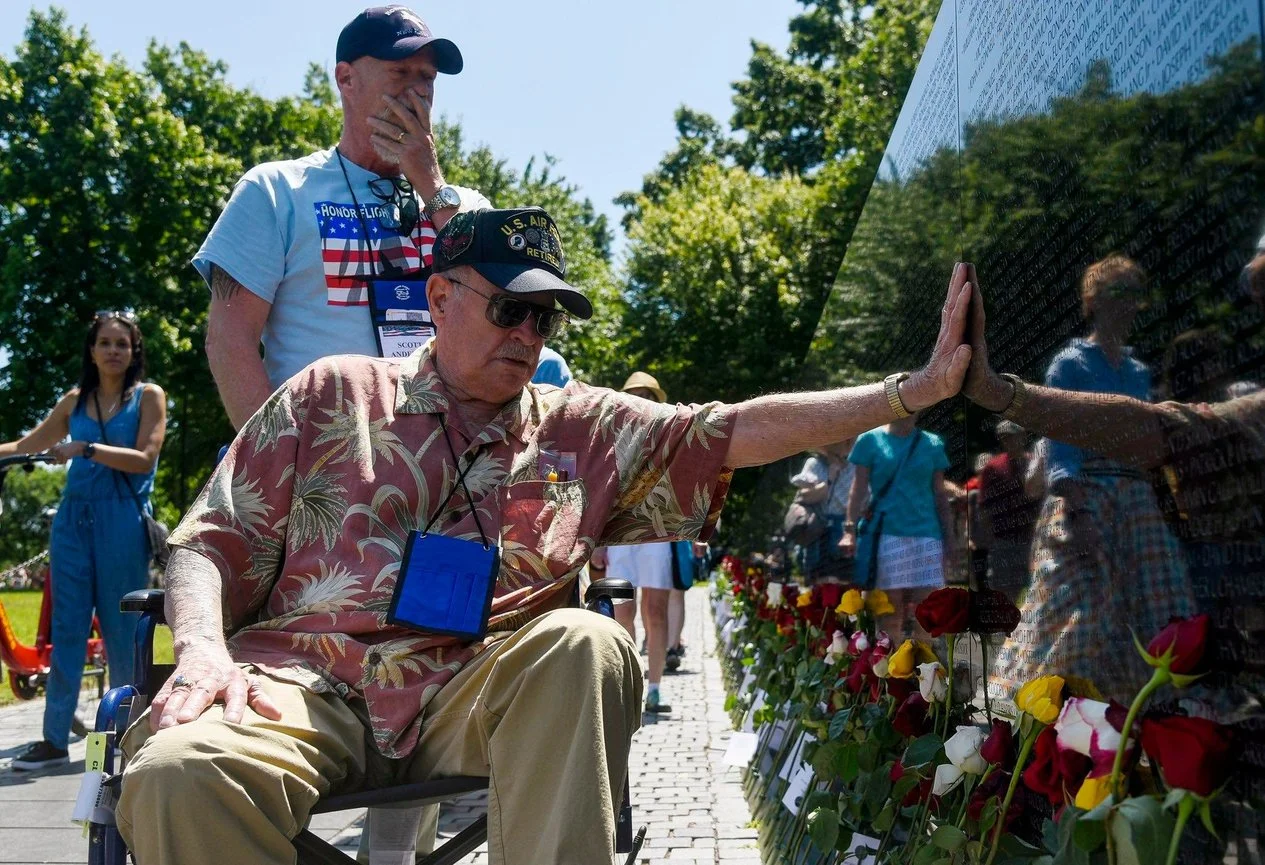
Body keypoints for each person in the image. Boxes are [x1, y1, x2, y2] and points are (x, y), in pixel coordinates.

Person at [115, 211, 975, 865]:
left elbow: (733, 429)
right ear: (440, 297)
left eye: (546, 320)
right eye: (509, 309)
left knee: (584, 640)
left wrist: (907, 393)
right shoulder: (330, 393)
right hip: (303, 683)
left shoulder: (581, 428)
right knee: (177, 775)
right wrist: (199, 650)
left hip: (474, 688)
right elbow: (206, 540)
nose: (528, 336)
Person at [197, 6, 490, 430]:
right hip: (321, 465)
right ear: (346, 79)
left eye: (426, 78)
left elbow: (496, 307)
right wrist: (276, 461)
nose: (417, 92)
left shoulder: (461, 205)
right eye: (400, 73)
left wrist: (429, 182)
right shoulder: (276, 191)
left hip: (446, 465)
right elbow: (228, 340)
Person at [988, 256, 1190, 700]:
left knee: (1154, 610)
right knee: (1073, 611)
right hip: (1086, 495)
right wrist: (1076, 509)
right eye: (1119, 293)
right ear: (1093, 302)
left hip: (1137, 505)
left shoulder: (1138, 372)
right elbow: (1059, 438)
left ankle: (1134, 715)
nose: (1130, 305)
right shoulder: (1070, 364)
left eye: (1135, 294)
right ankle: (1037, 708)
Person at [0, 313, 166, 770]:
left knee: (122, 632)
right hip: (72, 521)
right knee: (67, 630)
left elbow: (145, 458)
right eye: (105, 343)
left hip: (122, 521)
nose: (114, 351)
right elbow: (26, 444)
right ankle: (54, 741)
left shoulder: (148, 397)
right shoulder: (75, 401)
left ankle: (126, 737)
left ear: (134, 351)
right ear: (91, 350)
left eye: (122, 344)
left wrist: (87, 449)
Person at [592, 372, 677, 713]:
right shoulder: (612, 438)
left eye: (647, 395)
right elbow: (601, 488)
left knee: (655, 613)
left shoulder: (673, 434)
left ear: (658, 400)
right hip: (621, 535)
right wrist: (597, 541)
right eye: (634, 394)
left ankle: (655, 688)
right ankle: (630, 684)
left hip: (658, 533)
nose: (641, 400)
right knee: (621, 615)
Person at [839, 414, 955, 638]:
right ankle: (888, 668)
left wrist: (949, 539)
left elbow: (940, 495)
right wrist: (849, 531)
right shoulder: (869, 440)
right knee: (889, 611)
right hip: (887, 535)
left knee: (928, 612)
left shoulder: (932, 443)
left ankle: (924, 669)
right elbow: (858, 489)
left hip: (927, 534)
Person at [973, 420, 1040, 599]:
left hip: (1032, 539)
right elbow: (984, 505)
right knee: (1003, 593)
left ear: (1023, 436)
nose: (1009, 441)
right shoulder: (993, 467)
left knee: (1036, 591)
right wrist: (988, 538)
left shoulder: (1034, 464)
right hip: (1004, 540)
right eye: (1005, 437)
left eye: (1013, 436)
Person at [789, 438, 856, 583]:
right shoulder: (815, 464)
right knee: (815, 580)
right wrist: (829, 479)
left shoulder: (856, 467)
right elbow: (805, 496)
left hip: (843, 531)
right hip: (817, 529)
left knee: (840, 581)